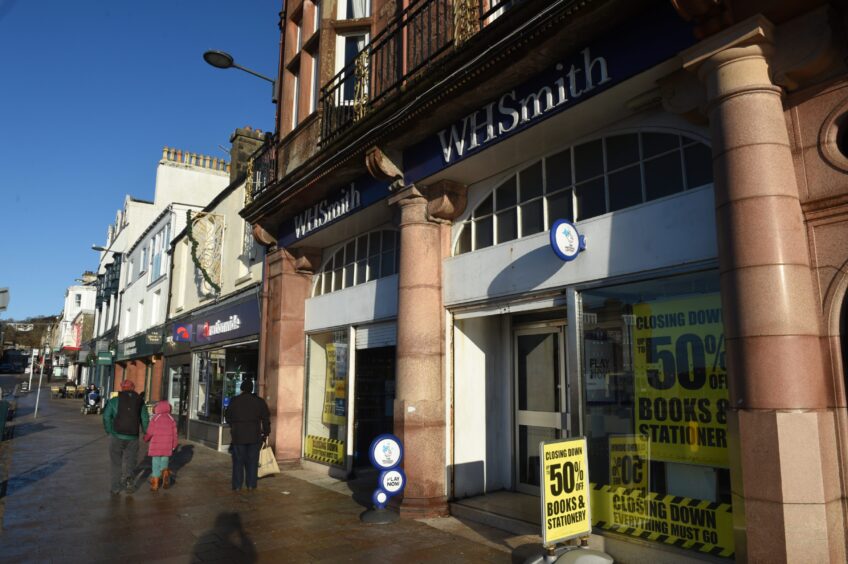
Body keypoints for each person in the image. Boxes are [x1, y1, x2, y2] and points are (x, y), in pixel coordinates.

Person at [102, 380, 149, 495]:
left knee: (116, 462)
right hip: (133, 437)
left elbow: (106, 417)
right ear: (133, 388)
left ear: (121, 388)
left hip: (116, 435)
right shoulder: (139, 401)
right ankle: (129, 482)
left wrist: (109, 431)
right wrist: (146, 432)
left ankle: (115, 487)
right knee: (131, 461)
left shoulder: (114, 401)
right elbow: (145, 418)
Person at [224, 379, 270, 491]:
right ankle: (251, 484)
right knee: (253, 462)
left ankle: (237, 485)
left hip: (238, 435)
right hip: (254, 435)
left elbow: (228, 416)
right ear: (252, 388)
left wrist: (234, 426)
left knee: (238, 462)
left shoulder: (234, 401)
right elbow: (265, 418)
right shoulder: (259, 401)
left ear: (242, 388)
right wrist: (266, 433)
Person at [143, 400, 178, 491]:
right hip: (167, 446)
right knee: (164, 462)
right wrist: (174, 445)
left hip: (156, 446)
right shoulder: (171, 419)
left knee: (155, 464)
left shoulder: (155, 418)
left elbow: (150, 432)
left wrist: (145, 438)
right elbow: (175, 434)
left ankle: (155, 484)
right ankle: (165, 476)